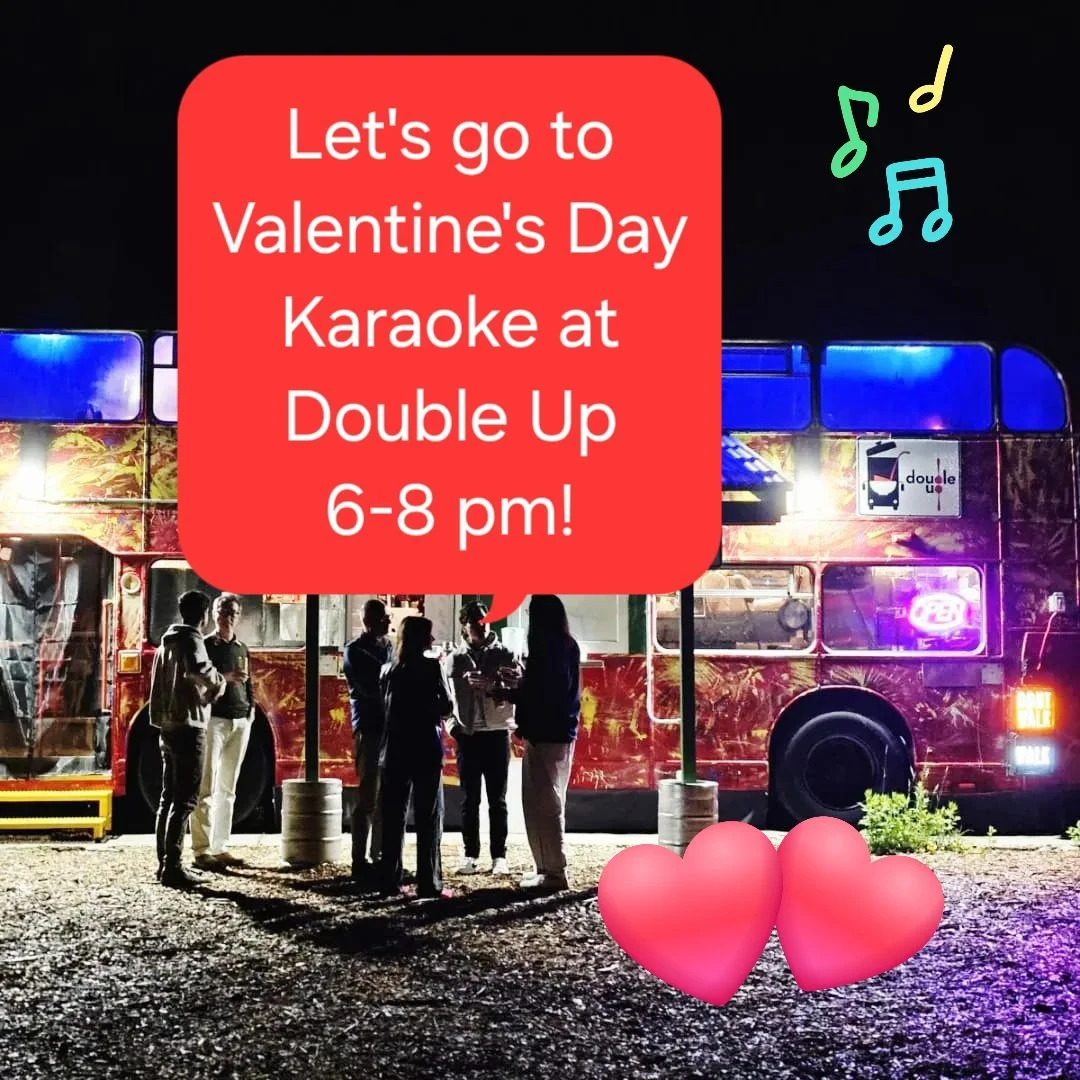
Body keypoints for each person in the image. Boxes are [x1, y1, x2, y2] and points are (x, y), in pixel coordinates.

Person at [148, 590, 241, 888]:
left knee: (167, 796)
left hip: (168, 725)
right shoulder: (192, 639)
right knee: (186, 798)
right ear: (203, 616)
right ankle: (173, 867)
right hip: (190, 724)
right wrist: (218, 687)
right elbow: (203, 671)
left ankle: (163, 860)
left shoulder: (167, 640)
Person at [498, 595, 581, 891]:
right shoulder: (567, 645)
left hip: (545, 733)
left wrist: (511, 692)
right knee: (551, 800)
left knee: (541, 804)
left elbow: (543, 693)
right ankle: (547, 868)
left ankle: (552, 871)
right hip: (561, 731)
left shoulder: (547, 649)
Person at [378, 616, 456, 900]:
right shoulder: (432, 668)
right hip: (425, 748)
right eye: (430, 636)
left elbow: (382, 709)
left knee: (393, 818)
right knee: (429, 817)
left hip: (394, 750)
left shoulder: (388, 670)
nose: (433, 641)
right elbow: (447, 707)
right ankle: (429, 882)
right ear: (423, 640)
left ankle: (390, 879)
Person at [446, 600, 521, 877]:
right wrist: (453, 726)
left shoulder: (506, 654)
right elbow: (445, 697)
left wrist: (493, 686)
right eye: (475, 620)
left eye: (484, 619)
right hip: (468, 734)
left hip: (497, 731)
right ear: (464, 625)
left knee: (497, 799)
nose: (481, 625)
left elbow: (519, 688)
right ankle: (470, 854)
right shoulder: (454, 659)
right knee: (469, 799)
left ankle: (499, 856)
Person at [191, 593, 255, 870]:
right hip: (214, 719)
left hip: (240, 720)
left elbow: (249, 682)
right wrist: (226, 678)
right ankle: (201, 849)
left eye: (232, 612)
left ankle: (220, 846)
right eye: (222, 610)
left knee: (228, 788)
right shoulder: (204, 646)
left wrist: (250, 710)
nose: (227, 616)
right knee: (206, 785)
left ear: (238, 617)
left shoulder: (242, 648)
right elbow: (198, 680)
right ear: (214, 614)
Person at [342, 598, 393, 883]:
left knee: (384, 796)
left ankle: (379, 856)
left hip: (386, 727)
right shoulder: (354, 651)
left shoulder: (386, 647)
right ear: (369, 620)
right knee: (368, 796)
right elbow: (370, 688)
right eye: (383, 617)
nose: (388, 621)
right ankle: (359, 860)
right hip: (370, 727)